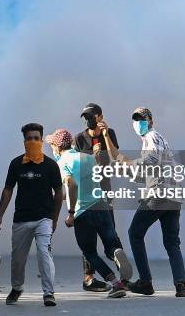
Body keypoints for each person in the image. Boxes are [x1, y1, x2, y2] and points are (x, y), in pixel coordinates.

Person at [104, 107, 185, 297]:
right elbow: (147, 171)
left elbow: (150, 160)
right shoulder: (156, 140)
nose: (138, 123)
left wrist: (129, 163)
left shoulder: (152, 136)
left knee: (135, 233)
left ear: (151, 121)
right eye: (135, 119)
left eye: (142, 119)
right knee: (172, 242)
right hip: (174, 197)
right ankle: (181, 285)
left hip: (159, 195)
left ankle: (145, 282)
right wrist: (125, 167)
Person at [46, 128, 132, 299]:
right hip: (101, 206)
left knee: (90, 252)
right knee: (111, 244)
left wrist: (70, 213)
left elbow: (72, 185)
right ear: (71, 143)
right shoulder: (88, 158)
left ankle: (116, 284)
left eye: (52, 146)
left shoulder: (62, 163)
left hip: (83, 213)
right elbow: (88, 183)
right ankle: (116, 254)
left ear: (57, 147)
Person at [0, 123, 62, 307]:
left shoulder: (51, 166)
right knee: (17, 260)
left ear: (42, 140)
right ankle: (17, 287)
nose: (33, 141)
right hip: (21, 219)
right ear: (24, 141)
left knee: (43, 253)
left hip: (44, 218)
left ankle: (48, 293)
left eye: (36, 138)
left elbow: (59, 193)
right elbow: (7, 190)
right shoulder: (16, 164)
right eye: (29, 138)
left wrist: (54, 219)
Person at [74, 102, 120, 292]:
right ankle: (89, 279)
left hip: (105, 190)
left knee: (110, 232)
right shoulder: (80, 138)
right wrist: (92, 156)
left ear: (100, 117)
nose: (87, 120)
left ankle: (121, 270)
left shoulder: (110, 133)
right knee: (88, 237)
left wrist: (107, 135)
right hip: (86, 193)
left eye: (91, 116)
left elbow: (115, 157)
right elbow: (77, 166)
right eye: (85, 117)